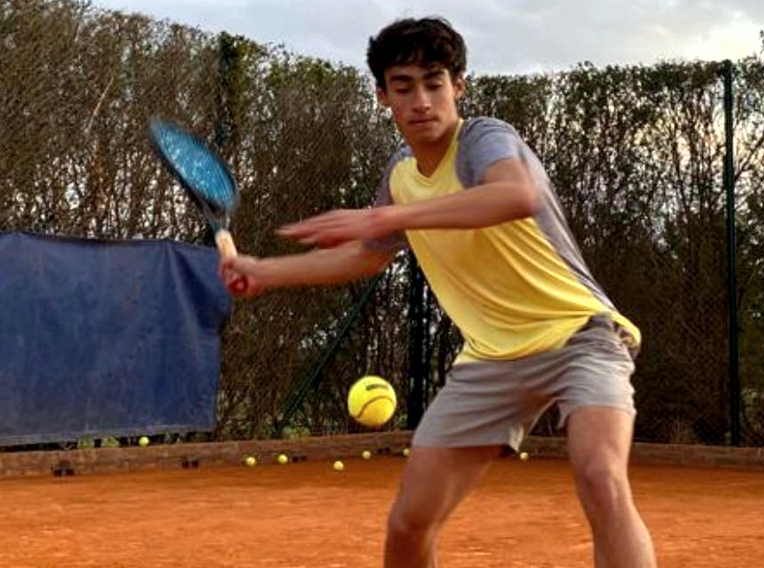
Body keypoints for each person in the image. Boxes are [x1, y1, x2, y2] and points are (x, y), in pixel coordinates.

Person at [220, 16, 656, 568]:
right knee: (409, 522)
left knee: (600, 476)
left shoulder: (484, 138)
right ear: (383, 96)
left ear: (459, 86)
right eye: (404, 86)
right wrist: (265, 272)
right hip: (491, 360)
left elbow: (513, 195)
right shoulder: (401, 175)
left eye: (435, 81)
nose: (422, 99)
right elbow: (365, 254)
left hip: (581, 337)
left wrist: (384, 216)